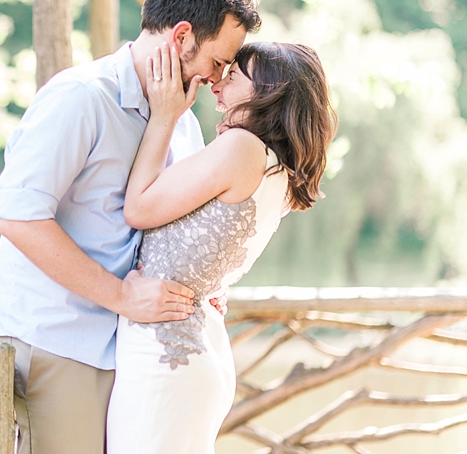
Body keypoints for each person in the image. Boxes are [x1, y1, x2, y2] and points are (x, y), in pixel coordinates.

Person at [0, 0, 261, 454]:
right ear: (182, 37)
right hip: (61, 340)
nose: (218, 79)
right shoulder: (80, 98)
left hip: (130, 348)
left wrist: (202, 286)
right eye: (219, 62)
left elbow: (175, 225)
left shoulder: (180, 123)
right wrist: (119, 295)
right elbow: (18, 218)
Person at [105, 41, 337, 453]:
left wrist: (165, 116)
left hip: (166, 354)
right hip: (189, 348)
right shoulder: (277, 172)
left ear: (268, 90)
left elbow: (139, 208)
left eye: (233, 75)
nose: (216, 82)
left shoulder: (242, 148)